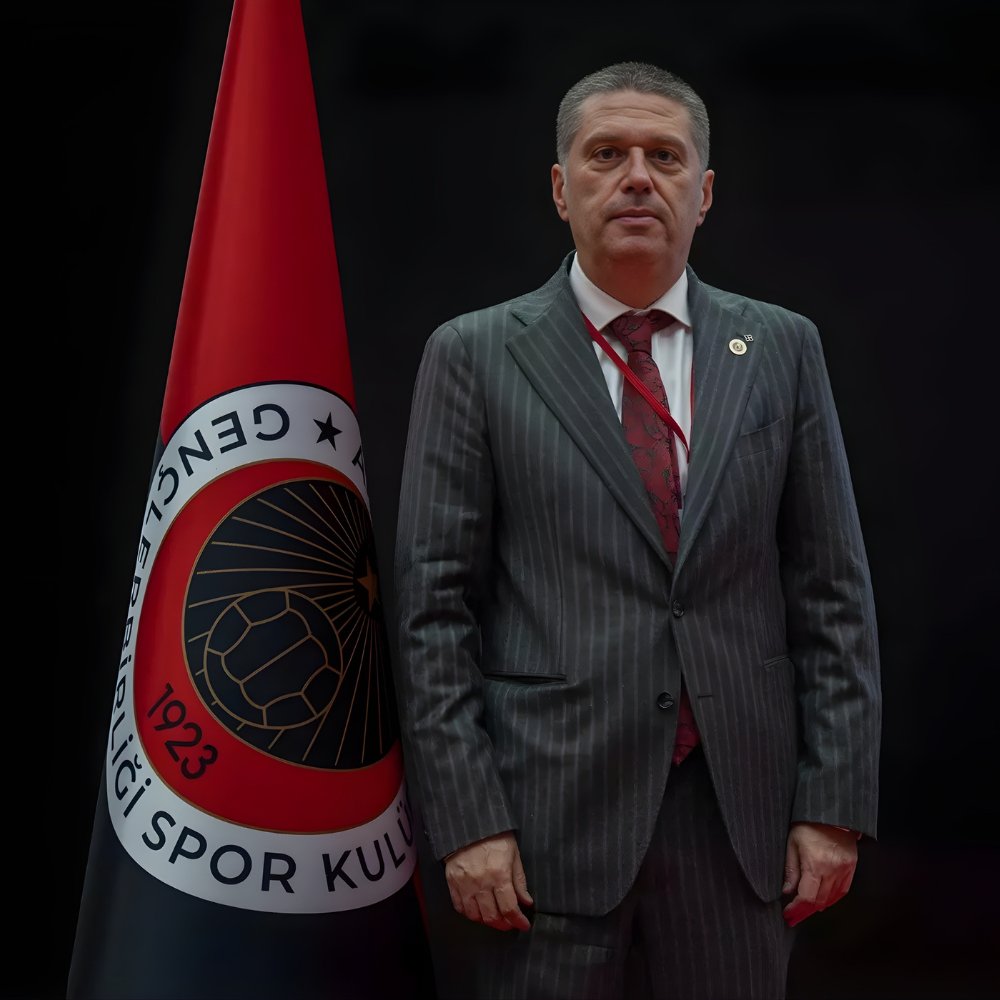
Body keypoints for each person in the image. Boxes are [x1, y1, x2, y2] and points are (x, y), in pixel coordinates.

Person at [392, 61, 881, 1000]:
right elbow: (431, 611)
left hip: (739, 823)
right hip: (540, 827)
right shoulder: (474, 354)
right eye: (606, 154)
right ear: (560, 186)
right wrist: (468, 819)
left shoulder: (781, 347)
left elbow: (832, 592)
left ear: (704, 192)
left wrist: (834, 805)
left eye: (665, 157)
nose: (636, 178)